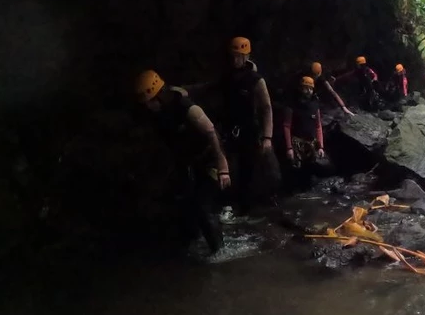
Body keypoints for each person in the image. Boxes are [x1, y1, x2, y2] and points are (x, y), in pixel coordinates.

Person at [135, 69, 229, 254]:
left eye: (150, 102)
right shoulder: (158, 113)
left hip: (211, 157)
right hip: (189, 161)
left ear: (158, 96)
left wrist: (223, 167)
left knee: (202, 205)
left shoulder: (185, 106)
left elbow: (211, 132)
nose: (148, 107)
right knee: (184, 204)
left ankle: (220, 252)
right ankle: (190, 245)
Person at [219, 36, 279, 217]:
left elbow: (267, 108)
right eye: (233, 56)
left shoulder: (256, 80)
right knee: (228, 167)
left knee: (248, 168)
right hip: (230, 128)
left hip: (250, 130)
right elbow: (212, 89)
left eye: (239, 56)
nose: (235, 60)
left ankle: (246, 209)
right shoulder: (228, 76)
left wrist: (267, 137)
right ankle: (228, 204)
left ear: (246, 57)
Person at [282, 76, 326, 168]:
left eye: (311, 88)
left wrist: (320, 146)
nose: (309, 91)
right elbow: (287, 126)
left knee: (310, 168)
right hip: (296, 144)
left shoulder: (315, 105)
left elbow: (318, 126)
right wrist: (289, 148)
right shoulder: (292, 105)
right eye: (306, 88)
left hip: (311, 144)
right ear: (300, 88)